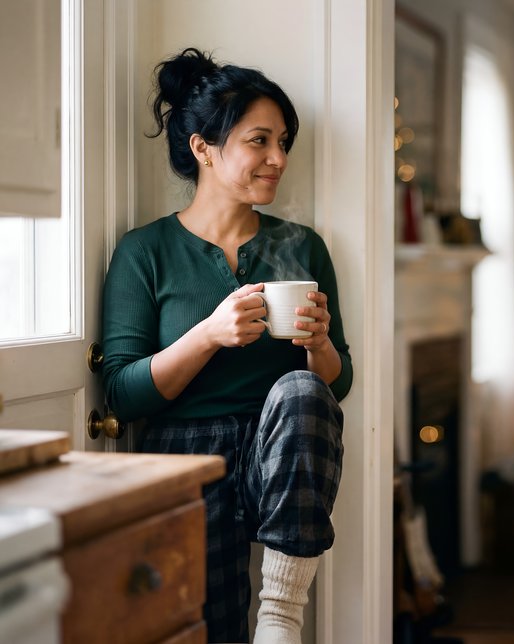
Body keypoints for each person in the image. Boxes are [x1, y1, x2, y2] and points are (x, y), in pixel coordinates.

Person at [101, 47, 352, 644]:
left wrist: (318, 345)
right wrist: (209, 334)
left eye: (283, 141)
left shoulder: (303, 246)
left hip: (280, 445)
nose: (278, 158)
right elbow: (120, 394)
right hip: (186, 455)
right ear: (203, 148)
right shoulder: (145, 252)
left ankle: (282, 615)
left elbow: (334, 384)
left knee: (298, 389)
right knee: (211, 630)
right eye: (259, 141)